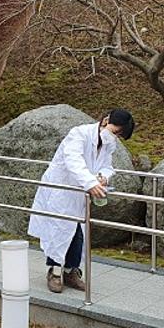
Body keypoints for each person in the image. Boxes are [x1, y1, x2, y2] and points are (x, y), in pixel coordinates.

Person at [28, 109, 135, 293]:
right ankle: (54, 272)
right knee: (59, 230)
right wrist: (90, 182)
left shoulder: (108, 145)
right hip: (61, 191)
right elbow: (73, 160)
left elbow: (107, 166)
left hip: (80, 194)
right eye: (115, 131)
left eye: (119, 135)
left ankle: (71, 272)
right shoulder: (79, 134)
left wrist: (102, 177)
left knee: (77, 232)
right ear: (106, 120)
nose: (115, 137)